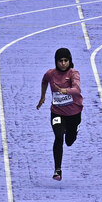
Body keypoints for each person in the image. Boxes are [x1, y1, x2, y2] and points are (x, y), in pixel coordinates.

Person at [37, 47, 83, 181]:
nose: (63, 63)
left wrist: (66, 91)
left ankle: (75, 130)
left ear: (70, 61)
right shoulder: (50, 74)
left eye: (65, 60)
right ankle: (58, 170)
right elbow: (44, 81)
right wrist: (42, 97)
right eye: (60, 61)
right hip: (57, 113)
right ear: (56, 61)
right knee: (58, 136)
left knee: (69, 141)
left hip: (74, 113)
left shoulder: (74, 73)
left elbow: (77, 89)